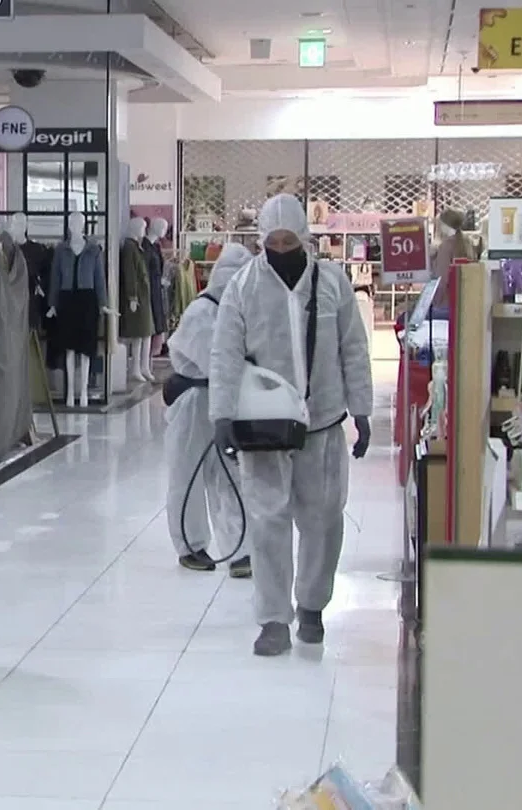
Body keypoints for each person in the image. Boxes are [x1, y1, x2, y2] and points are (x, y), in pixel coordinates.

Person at [209, 194, 373, 657]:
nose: (281, 247)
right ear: (261, 240)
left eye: (289, 239)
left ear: (304, 237)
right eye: (273, 240)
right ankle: (272, 618)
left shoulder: (333, 283)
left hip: (321, 422)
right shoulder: (242, 287)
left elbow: (354, 349)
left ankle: (312, 608)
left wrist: (361, 408)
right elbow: (224, 355)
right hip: (263, 426)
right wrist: (221, 415)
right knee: (266, 521)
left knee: (322, 519)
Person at [164, 242, 252, 577]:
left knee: (230, 476)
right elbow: (216, 363)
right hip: (195, 403)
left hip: (225, 402)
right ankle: (190, 545)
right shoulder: (202, 312)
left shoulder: (236, 313)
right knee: (187, 476)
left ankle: (240, 550)